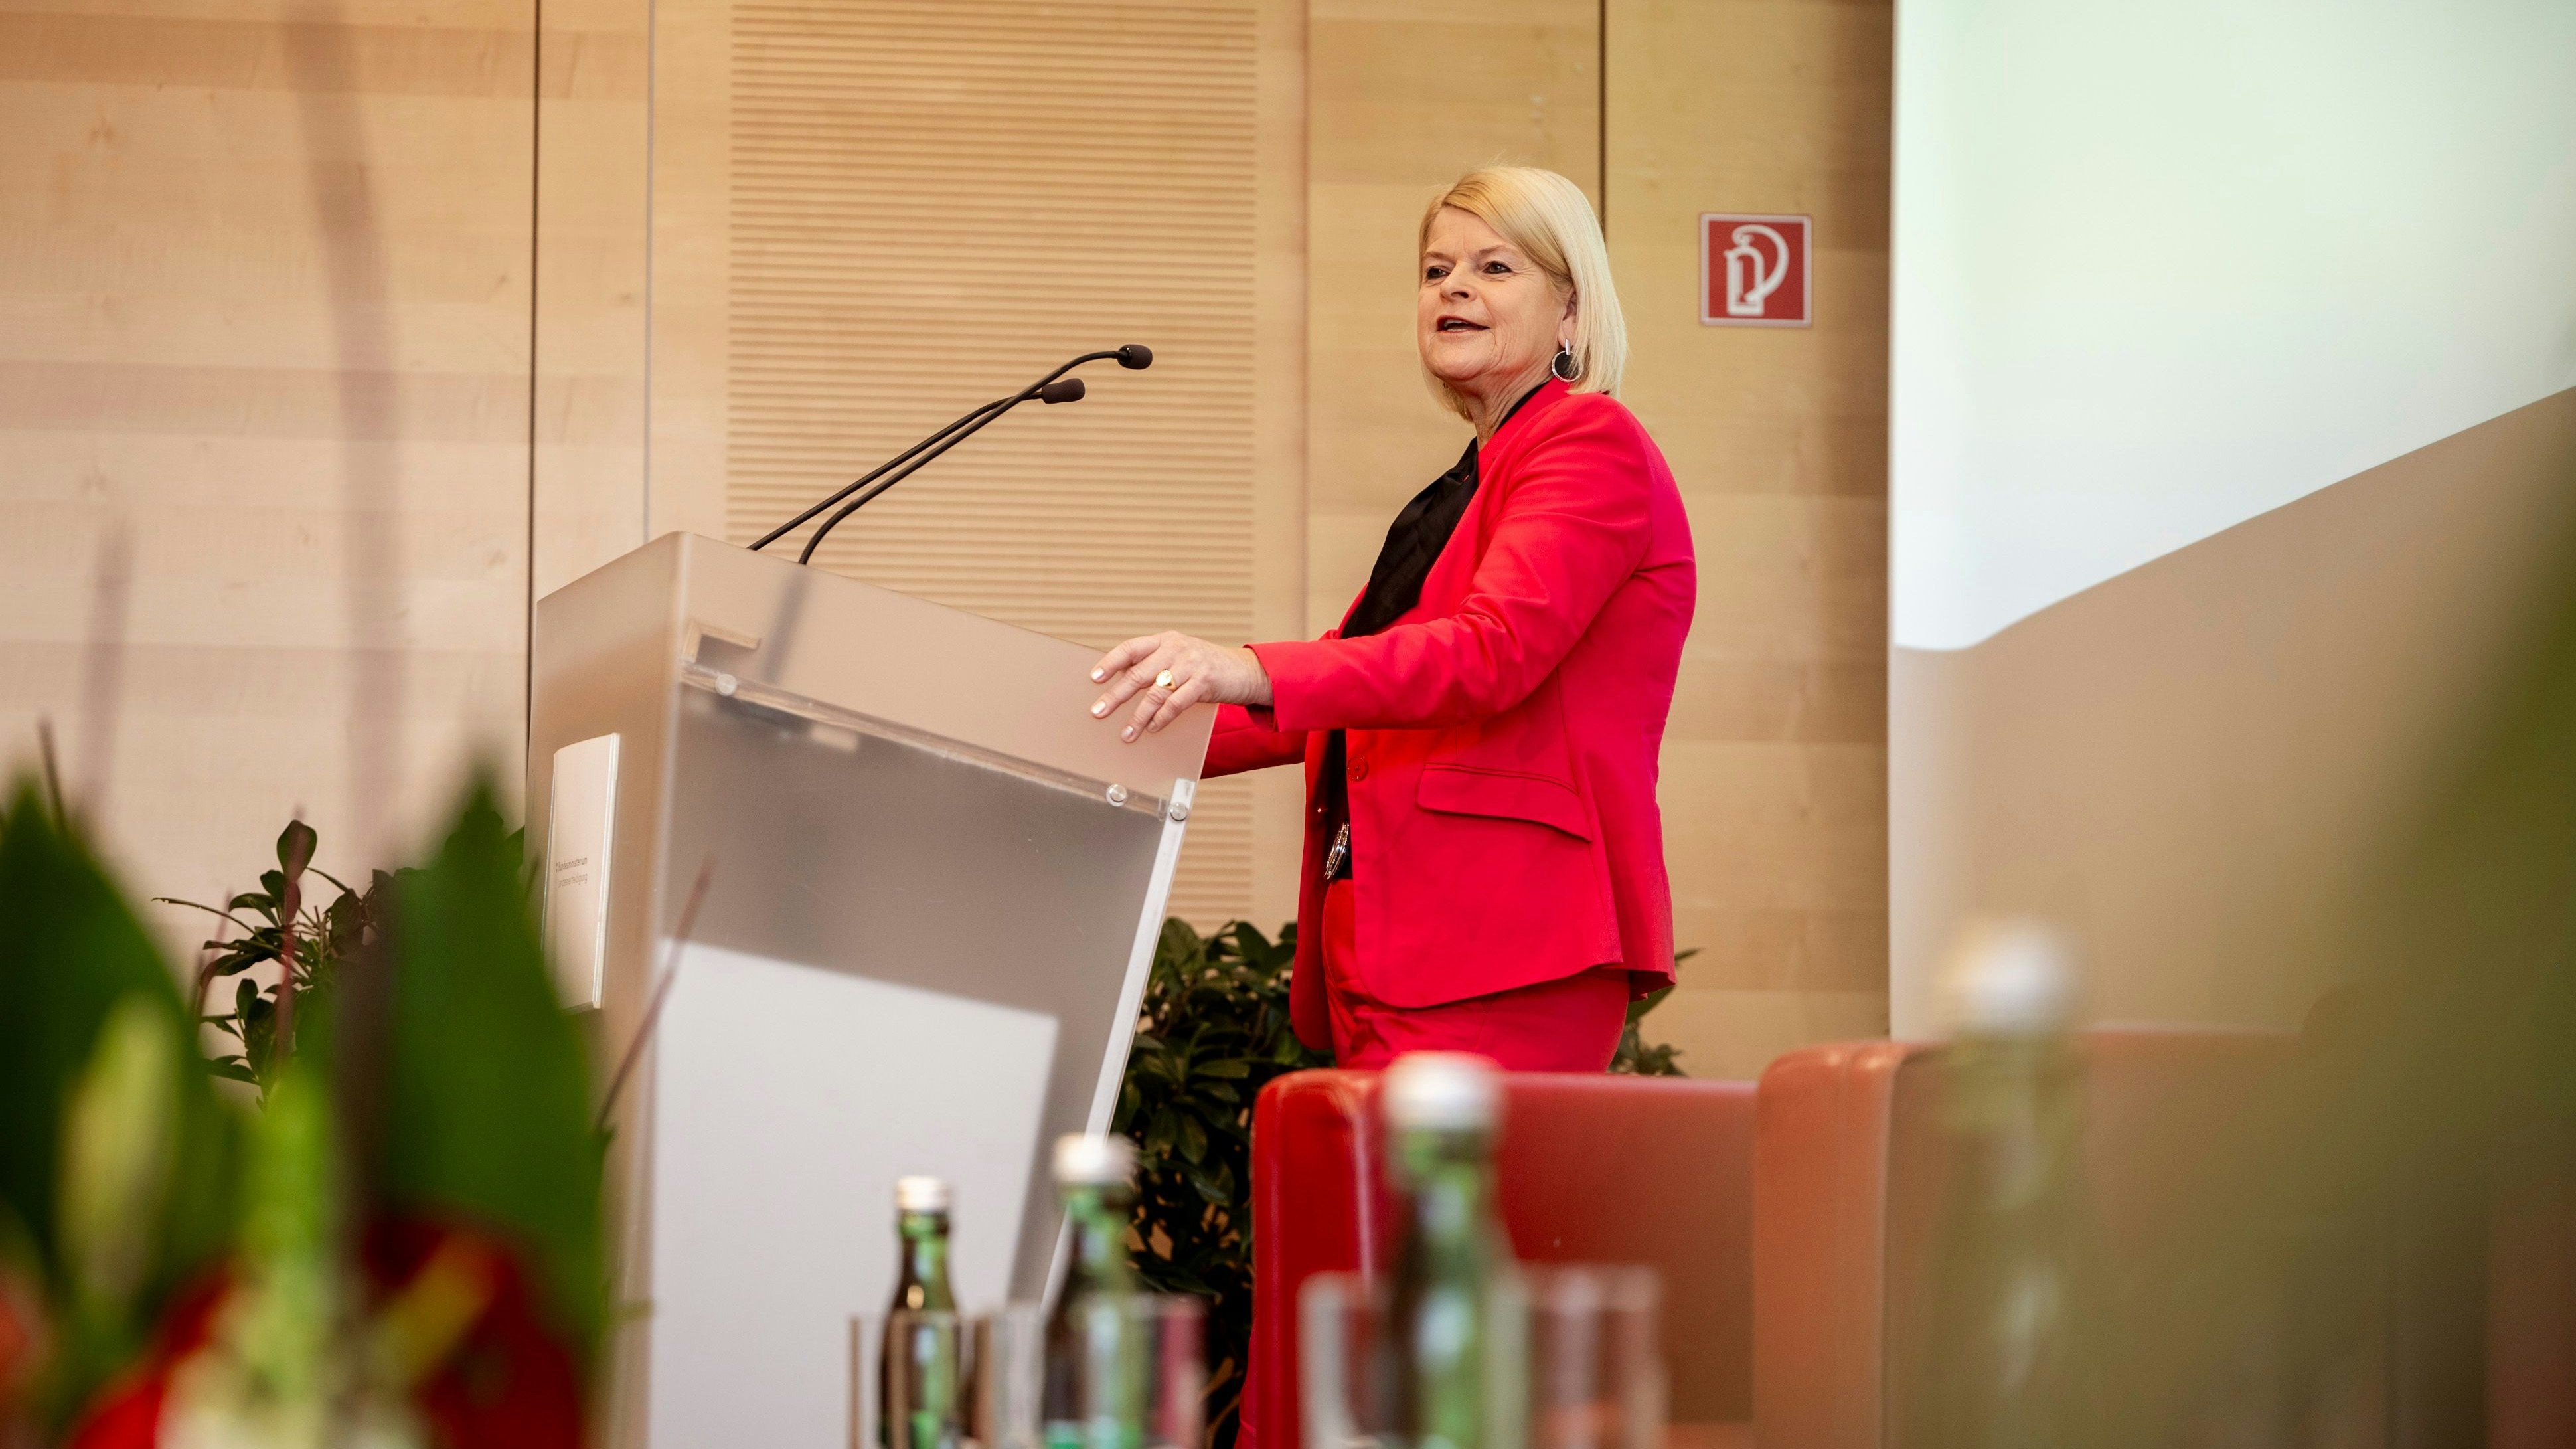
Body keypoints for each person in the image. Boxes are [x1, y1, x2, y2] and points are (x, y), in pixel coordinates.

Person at [1089, 165, 1694, 1073]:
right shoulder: (1468, 481)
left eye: (1494, 268)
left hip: (1503, 941)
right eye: (1435, 269)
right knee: (1375, 1221)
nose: (1452, 287)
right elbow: (1349, 679)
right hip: (1390, 941)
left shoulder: (1588, 443)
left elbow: (1492, 653)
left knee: (1443, 1221)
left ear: (1571, 313)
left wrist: (1242, 664)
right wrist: (1094, 732)